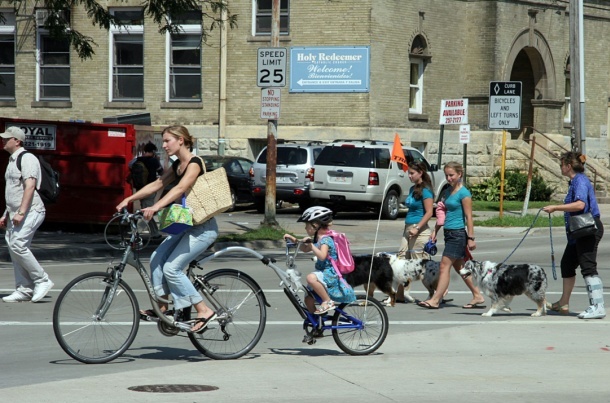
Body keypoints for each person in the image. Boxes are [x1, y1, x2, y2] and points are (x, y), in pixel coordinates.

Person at [116, 125, 217, 332]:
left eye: (167, 141)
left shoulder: (195, 163)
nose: (164, 145)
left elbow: (180, 188)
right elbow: (158, 183)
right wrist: (130, 198)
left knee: (172, 268)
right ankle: (163, 307)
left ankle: (203, 309)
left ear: (181, 140)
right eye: (163, 141)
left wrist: (156, 206)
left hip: (203, 229)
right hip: (186, 226)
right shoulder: (178, 164)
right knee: (156, 258)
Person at [543, 151, 605, 319]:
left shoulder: (580, 181)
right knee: (567, 264)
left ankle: (597, 306)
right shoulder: (574, 181)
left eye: (561, 164)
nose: (560, 167)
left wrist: (555, 208)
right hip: (578, 231)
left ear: (568, 166)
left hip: (588, 229)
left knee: (588, 267)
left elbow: (580, 204)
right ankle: (564, 303)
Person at [417, 161, 485, 310]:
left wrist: (471, 238)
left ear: (460, 174)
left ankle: (435, 300)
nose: (449, 178)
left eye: (452, 175)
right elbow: (442, 213)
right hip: (449, 233)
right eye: (447, 175)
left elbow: (469, 217)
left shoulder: (464, 193)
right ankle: (477, 295)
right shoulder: (447, 191)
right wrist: (435, 231)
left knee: (443, 266)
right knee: (460, 268)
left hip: (458, 234)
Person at [0, 126, 54, 303]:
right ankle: (24, 289)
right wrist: (6, 213)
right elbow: (13, 191)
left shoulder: (27, 158)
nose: (3, 140)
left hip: (32, 211)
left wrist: (21, 212)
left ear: (17, 140)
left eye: (7, 138)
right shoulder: (11, 160)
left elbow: (29, 187)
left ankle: (42, 280)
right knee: (14, 248)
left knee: (18, 244)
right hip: (16, 212)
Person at [283, 206, 356, 314]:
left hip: (329, 273)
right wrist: (293, 239)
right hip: (322, 273)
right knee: (308, 299)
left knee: (311, 278)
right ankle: (317, 324)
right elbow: (305, 249)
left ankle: (328, 301)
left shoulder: (326, 240)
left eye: (307, 225)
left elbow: (322, 256)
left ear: (316, 225)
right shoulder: (318, 239)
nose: (305, 228)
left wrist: (311, 245)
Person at [387, 161, 434, 304]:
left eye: (412, 173)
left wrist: (417, 227)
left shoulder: (426, 190)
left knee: (419, 266)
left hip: (419, 230)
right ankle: (399, 294)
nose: (409, 176)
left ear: (421, 173)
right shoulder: (414, 188)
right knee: (401, 261)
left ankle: (435, 294)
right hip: (408, 228)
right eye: (408, 173)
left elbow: (429, 212)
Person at [132, 142, 163, 238]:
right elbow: (161, 172)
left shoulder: (137, 160)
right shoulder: (154, 161)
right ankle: (136, 229)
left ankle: (153, 232)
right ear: (153, 151)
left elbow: (130, 166)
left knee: (146, 210)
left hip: (140, 189)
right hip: (150, 189)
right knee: (147, 212)